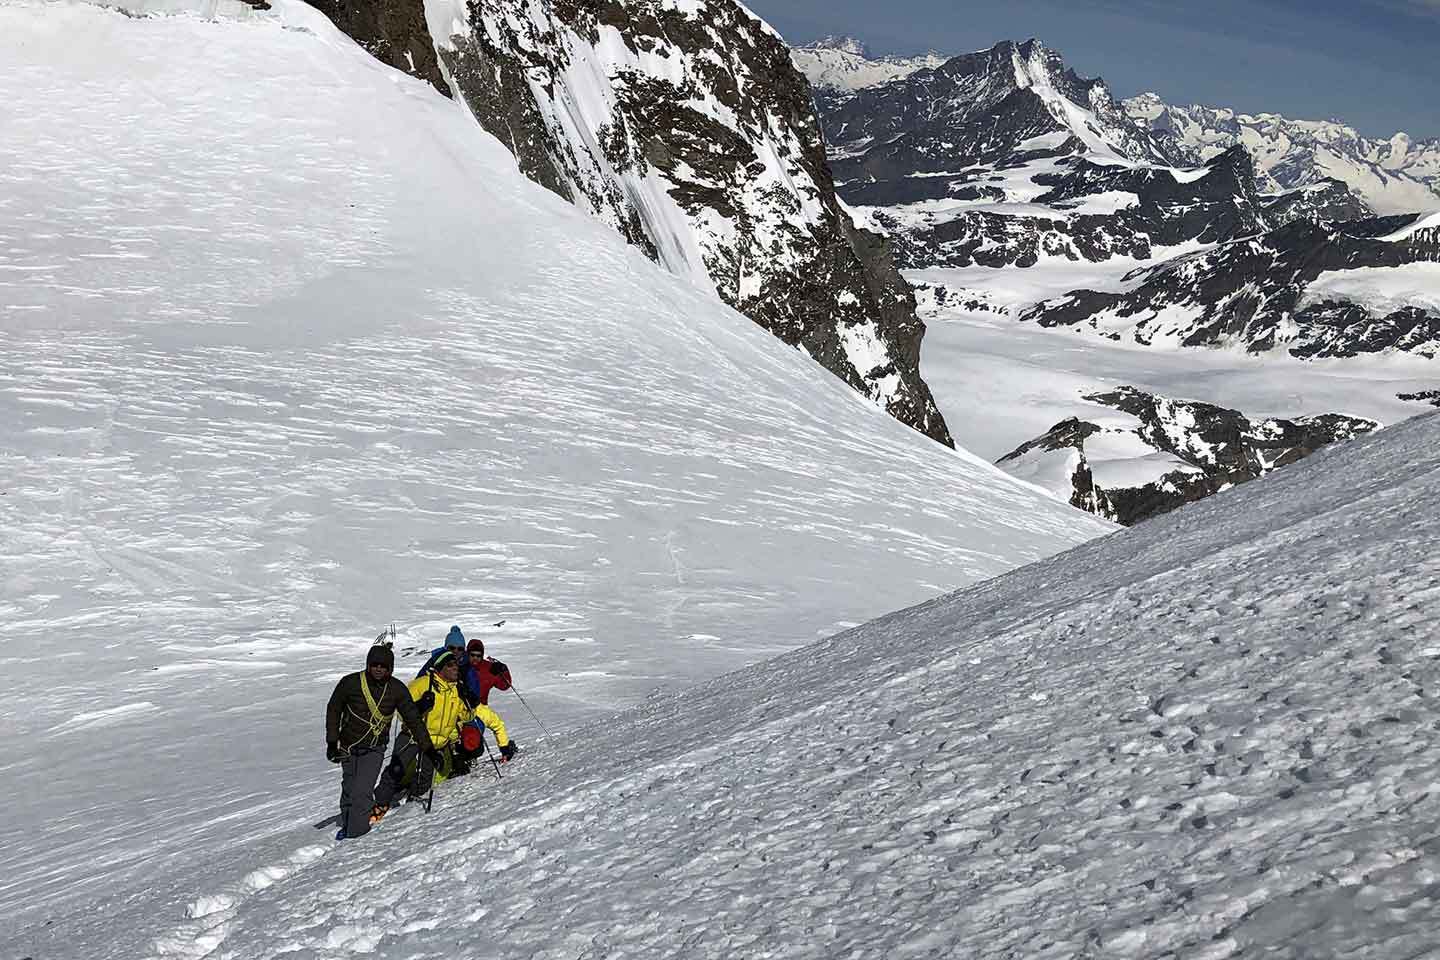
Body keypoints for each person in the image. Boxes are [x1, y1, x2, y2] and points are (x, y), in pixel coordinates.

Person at [371, 650, 516, 820]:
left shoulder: (456, 690)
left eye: (456, 665)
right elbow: (400, 711)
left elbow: (467, 718)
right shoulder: (422, 684)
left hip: (436, 745)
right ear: (440, 668)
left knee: (425, 780)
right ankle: (378, 804)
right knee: (396, 770)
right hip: (413, 737)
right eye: (450, 665)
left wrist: (470, 703)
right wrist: (419, 706)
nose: (455, 669)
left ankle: (411, 803)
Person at [325, 643, 437, 841]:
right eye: (375, 664)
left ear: (390, 668)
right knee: (349, 787)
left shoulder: (396, 689)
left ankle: (356, 837)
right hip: (348, 746)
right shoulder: (350, 683)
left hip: (374, 748)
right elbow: (334, 710)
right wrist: (332, 742)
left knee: (362, 791)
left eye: (383, 666)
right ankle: (349, 824)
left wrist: (428, 748)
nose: (378, 669)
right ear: (368, 664)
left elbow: (413, 719)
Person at [463, 638, 513, 706]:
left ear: (482, 655)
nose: (475, 658)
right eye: (472, 655)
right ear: (468, 654)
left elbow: (505, 685)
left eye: (478, 656)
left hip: (481, 709)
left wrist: (504, 670)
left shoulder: (489, 668)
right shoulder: (461, 665)